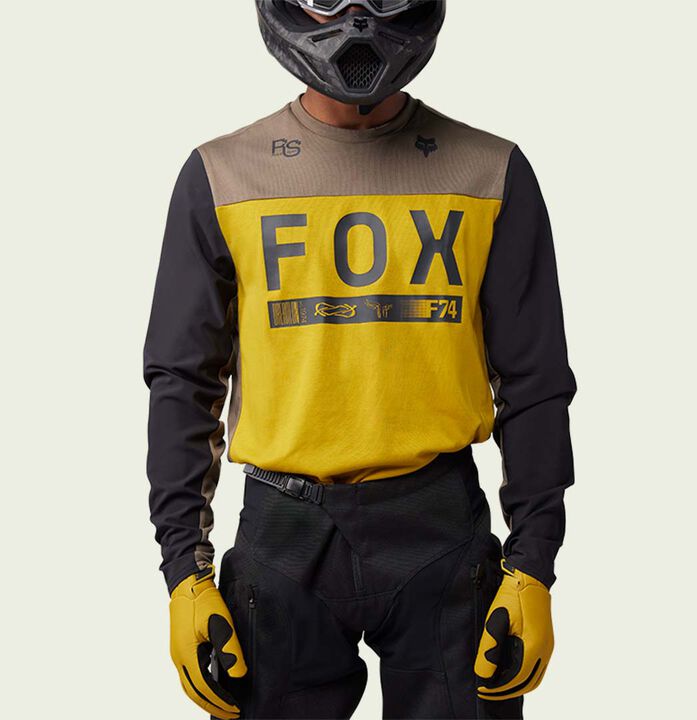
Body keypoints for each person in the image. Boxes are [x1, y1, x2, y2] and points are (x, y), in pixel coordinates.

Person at [143, 2, 576, 718]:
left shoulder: (490, 171)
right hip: (283, 537)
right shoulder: (221, 175)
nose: (357, 18)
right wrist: (183, 570)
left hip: (440, 530)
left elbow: (534, 381)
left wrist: (535, 564)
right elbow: (182, 380)